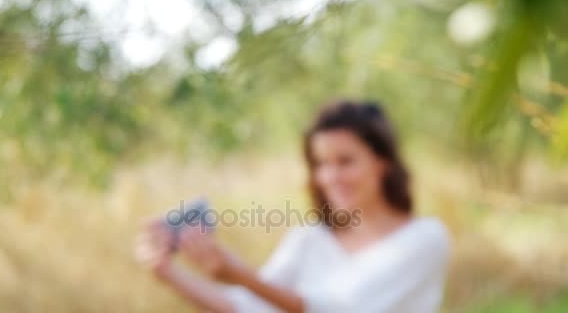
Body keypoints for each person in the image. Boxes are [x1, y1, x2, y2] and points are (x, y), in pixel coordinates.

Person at [136, 100, 451, 313]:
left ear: (383, 162)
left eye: (345, 161)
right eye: (321, 163)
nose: (330, 177)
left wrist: (242, 275)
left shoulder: (425, 238)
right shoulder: (310, 238)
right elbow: (248, 306)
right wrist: (167, 273)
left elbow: (342, 307)